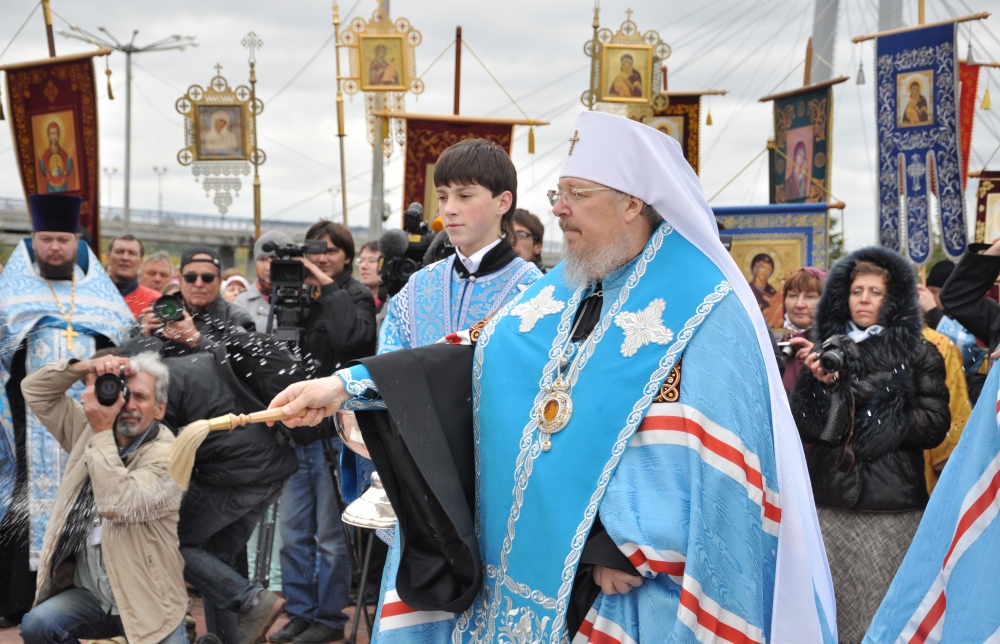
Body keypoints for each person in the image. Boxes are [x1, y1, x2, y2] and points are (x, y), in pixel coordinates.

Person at [267, 112, 834, 643]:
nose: (559, 210)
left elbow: (714, 461)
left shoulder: (705, 306)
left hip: (636, 587)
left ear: (633, 202)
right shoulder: (570, 283)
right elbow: (474, 357)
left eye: (576, 195)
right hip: (538, 563)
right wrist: (344, 386)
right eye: (557, 194)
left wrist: (616, 546)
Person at [790, 247, 950, 643]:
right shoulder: (828, 350)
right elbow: (805, 429)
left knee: (886, 616)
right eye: (857, 290)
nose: (864, 298)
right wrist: (816, 388)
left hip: (891, 507)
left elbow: (934, 426)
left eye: (875, 292)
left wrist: (873, 400)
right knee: (830, 614)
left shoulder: (921, 352)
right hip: (830, 503)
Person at [0, 194, 133, 626]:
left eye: (63, 239)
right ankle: (16, 599)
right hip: (26, 419)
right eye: (46, 239)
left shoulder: (101, 296)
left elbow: (122, 344)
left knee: (86, 496)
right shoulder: (12, 292)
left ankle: (76, 591)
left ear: (76, 241)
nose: (55, 247)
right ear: (33, 241)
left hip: (88, 417)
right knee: (20, 495)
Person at [19, 352, 187, 644]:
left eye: (141, 397)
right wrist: (84, 367)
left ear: (159, 409)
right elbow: (35, 390)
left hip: (149, 603)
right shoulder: (89, 432)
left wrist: (100, 432)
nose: (129, 405)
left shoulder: (170, 455)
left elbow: (118, 504)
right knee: (38, 625)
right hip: (93, 595)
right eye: (124, 394)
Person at [268, 221, 377, 644]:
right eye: (314, 251)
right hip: (298, 432)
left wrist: (327, 287)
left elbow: (355, 338)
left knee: (332, 537)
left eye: (329, 250)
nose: (320, 257)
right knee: (294, 533)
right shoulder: (294, 294)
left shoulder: (352, 295)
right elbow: (281, 351)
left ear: (346, 256)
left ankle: (329, 618)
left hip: (336, 432)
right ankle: (299, 611)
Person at [139, 246, 255, 354]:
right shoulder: (158, 310)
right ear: (180, 279)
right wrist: (144, 338)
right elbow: (127, 360)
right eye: (191, 278)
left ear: (219, 281)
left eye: (207, 278)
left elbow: (246, 366)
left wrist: (197, 341)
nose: (198, 284)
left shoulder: (237, 319)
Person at [920, 259, 988, 403]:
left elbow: (971, 351)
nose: (930, 297)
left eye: (935, 292)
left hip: (966, 394)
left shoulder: (971, 313)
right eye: (928, 291)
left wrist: (933, 312)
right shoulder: (924, 315)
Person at [233, 231, 294, 333]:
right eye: (262, 259)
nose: (268, 267)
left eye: (275, 259)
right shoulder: (242, 302)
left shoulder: (303, 298)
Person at [779, 267, 826, 396]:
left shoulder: (842, 350)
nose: (799, 304)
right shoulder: (772, 348)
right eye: (793, 295)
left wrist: (824, 360)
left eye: (810, 296)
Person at [106, 235, 161, 318]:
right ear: (108, 258)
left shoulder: (154, 301)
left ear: (141, 262)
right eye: (119, 251)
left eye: (132, 253)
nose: (125, 258)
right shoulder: (89, 294)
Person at [39, 122, 74, 193]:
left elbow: (68, 171)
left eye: (55, 133)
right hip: (51, 186)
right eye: (52, 133)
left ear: (58, 135)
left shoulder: (63, 153)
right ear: (48, 136)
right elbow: (43, 172)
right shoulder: (46, 153)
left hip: (62, 185)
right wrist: (40, 159)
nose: (54, 136)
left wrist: (69, 157)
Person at [356, 241, 384, 312]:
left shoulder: (397, 302)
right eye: (361, 261)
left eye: (372, 261)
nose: (363, 266)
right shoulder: (346, 296)